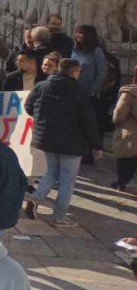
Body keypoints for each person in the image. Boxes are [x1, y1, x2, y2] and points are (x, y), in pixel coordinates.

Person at [23, 57, 102, 225]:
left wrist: (42, 120)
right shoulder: (79, 92)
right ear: (74, 72)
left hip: (47, 138)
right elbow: (89, 120)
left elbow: (29, 106)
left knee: (51, 171)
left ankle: (36, 198)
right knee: (67, 179)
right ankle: (59, 216)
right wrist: (96, 144)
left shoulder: (42, 86)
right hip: (72, 142)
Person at [114, 68, 137, 193]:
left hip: (129, 130)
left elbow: (119, 112)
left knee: (124, 158)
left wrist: (116, 121)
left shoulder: (129, 92)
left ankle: (121, 183)